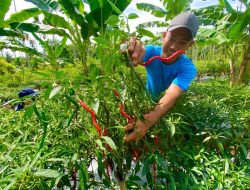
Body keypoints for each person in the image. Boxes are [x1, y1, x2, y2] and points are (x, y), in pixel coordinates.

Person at [124, 12, 199, 142]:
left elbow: (171, 95)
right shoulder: (152, 51)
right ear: (164, 36)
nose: (174, 47)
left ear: (190, 45)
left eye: (182, 42)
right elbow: (139, 55)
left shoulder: (187, 68)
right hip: (146, 105)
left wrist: (147, 122)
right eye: (172, 39)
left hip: (167, 112)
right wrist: (129, 51)